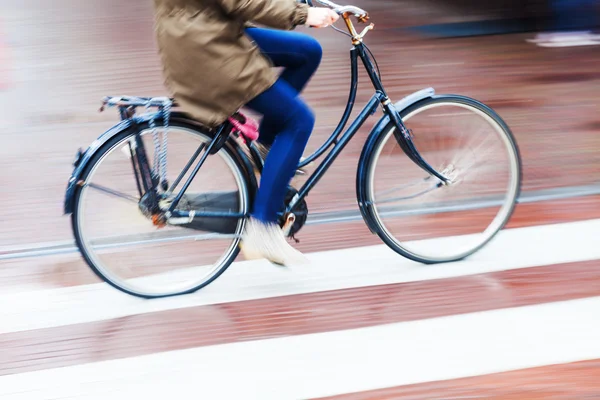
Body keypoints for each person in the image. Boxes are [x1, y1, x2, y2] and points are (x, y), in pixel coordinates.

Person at [152, 0, 338, 266]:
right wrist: (303, 14)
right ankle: (262, 227)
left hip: (200, 33)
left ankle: (263, 151)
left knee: (307, 51)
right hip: (209, 51)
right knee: (299, 120)